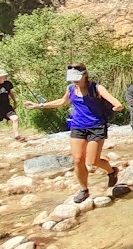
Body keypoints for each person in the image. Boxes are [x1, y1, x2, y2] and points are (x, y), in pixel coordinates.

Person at [25, 63, 123, 203]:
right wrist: (39, 105)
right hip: (77, 126)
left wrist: (117, 105)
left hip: (96, 126)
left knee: (93, 161)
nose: (75, 81)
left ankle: (112, 172)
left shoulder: (96, 88)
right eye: (72, 78)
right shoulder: (71, 88)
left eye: (77, 77)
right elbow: (63, 101)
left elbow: (113, 100)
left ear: (85, 75)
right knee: (77, 160)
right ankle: (84, 190)